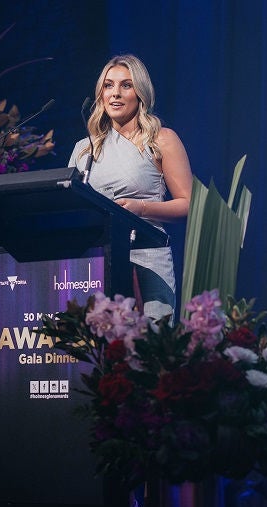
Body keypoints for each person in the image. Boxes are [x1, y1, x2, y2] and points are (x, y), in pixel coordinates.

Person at [69, 54, 193, 322]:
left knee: (149, 351)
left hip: (148, 256)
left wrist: (141, 208)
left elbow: (188, 204)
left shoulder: (162, 139)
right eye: (108, 85)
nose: (115, 93)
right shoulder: (83, 149)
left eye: (126, 85)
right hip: (97, 260)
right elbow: (70, 204)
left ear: (140, 93)